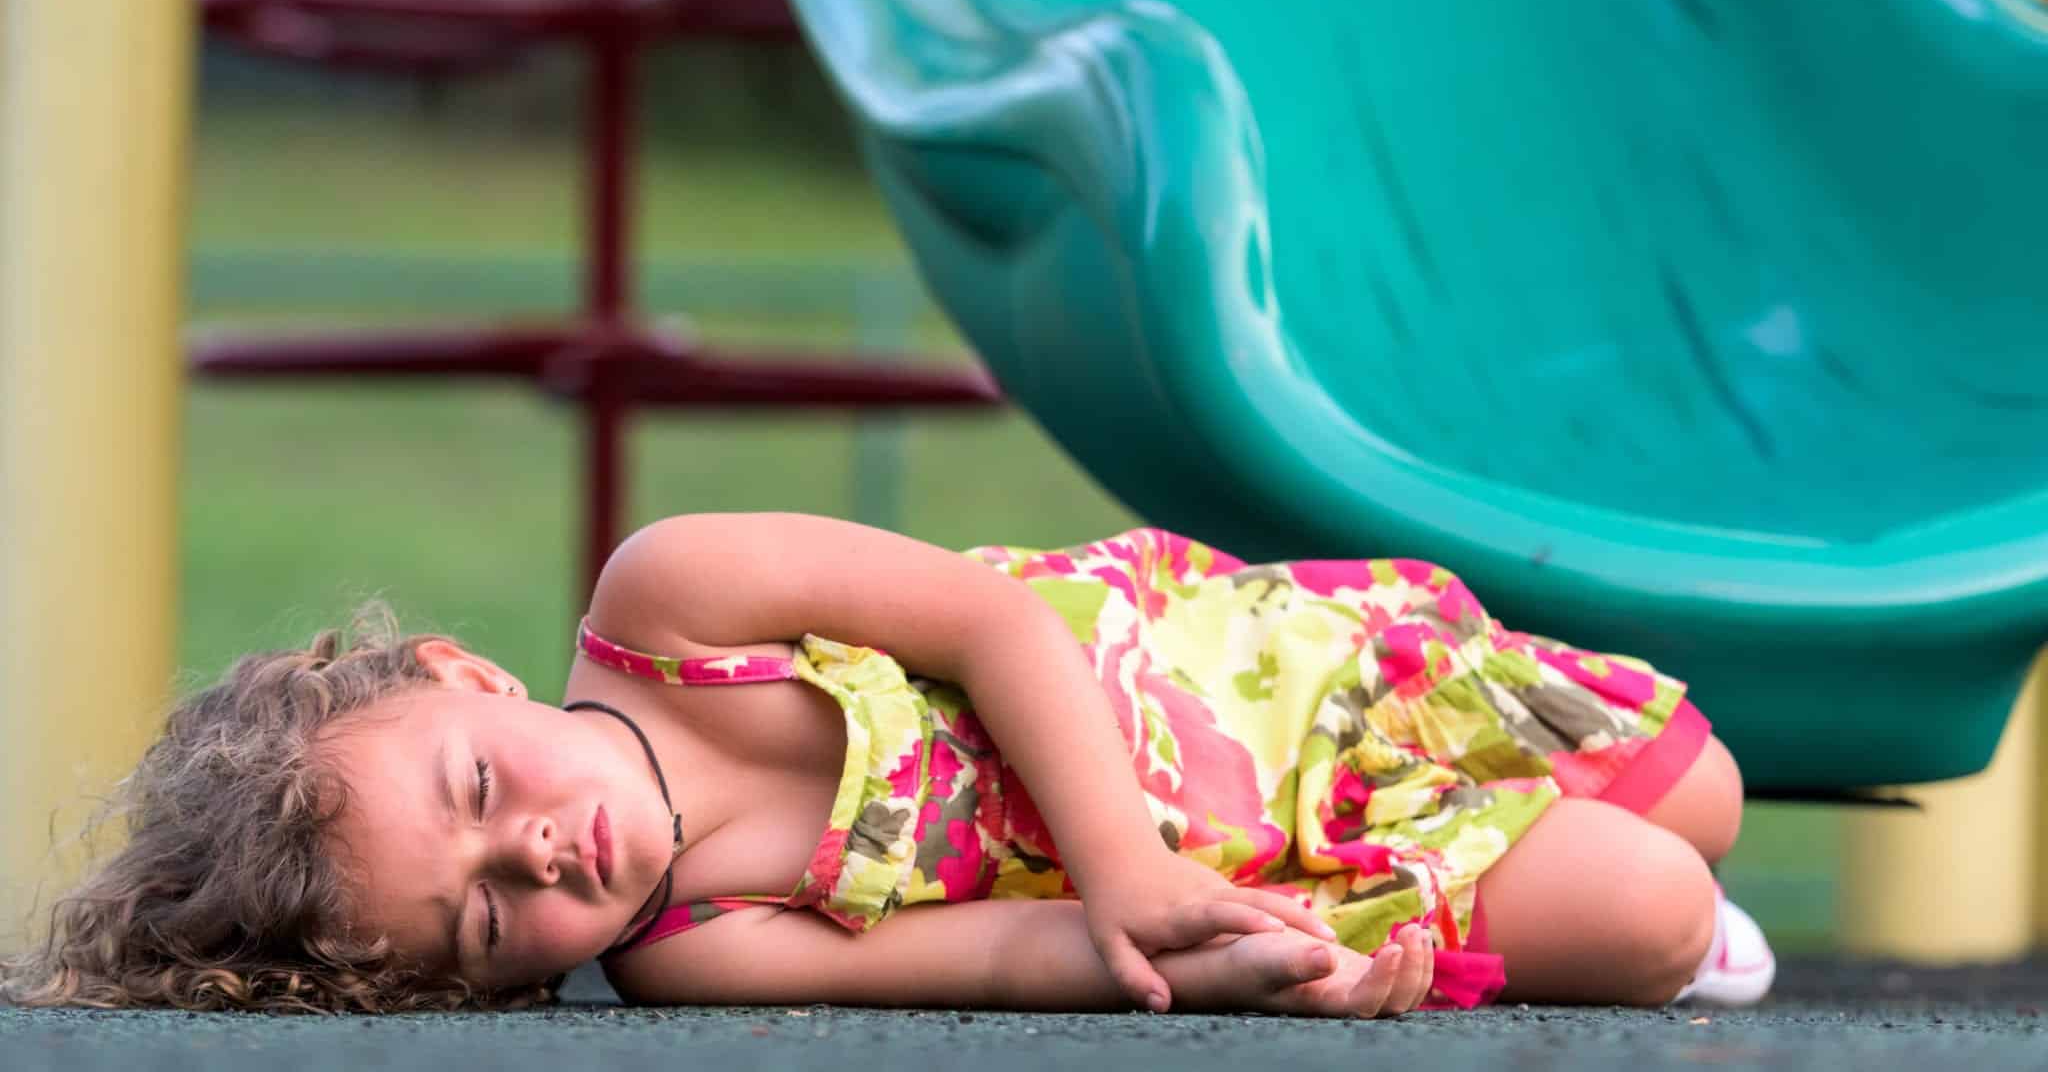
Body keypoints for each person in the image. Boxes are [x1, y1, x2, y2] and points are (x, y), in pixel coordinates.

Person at [1, 512, 1773, 1016]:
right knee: (1647, 906)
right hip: (1248, 863)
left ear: (473, 676)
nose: (535, 860)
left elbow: (997, 633)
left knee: (1707, 786)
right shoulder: (703, 952)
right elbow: (1014, 948)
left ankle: (1573, 829)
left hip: (1244, 690)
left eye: (478, 792)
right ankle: (1639, 930)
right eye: (481, 926)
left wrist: (1142, 866)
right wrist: (1228, 959)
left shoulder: (670, 603)